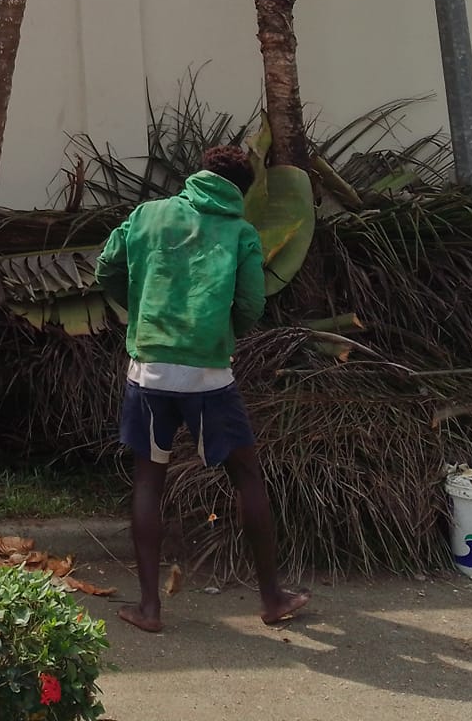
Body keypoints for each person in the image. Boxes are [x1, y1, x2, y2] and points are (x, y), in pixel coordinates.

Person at [95, 144, 309, 632]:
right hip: (210, 376)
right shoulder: (239, 232)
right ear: (242, 190)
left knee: (150, 480)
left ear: (200, 175)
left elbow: (105, 269)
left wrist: (142, 308)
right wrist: (221, 333)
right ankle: (272, 598)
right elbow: (252, 303)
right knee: (246, 478)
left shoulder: (148, 215)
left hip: (149, 370)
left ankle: (149, 609)